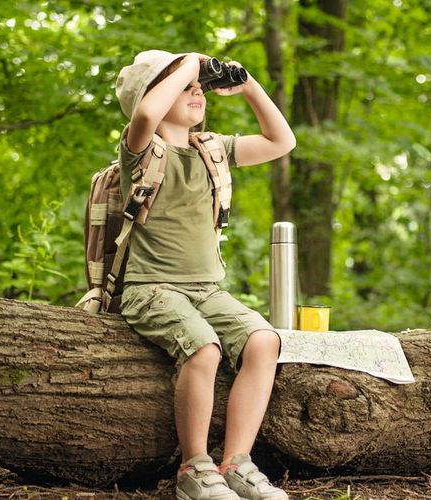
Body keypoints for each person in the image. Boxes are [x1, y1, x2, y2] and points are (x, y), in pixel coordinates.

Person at [114, 50, 296, 500]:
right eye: (185, 86)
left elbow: (281, 141)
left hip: (206, 290)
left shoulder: (211, 149)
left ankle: (236, 462)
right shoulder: (140, 151)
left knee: (263, 340)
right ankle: (194, 467)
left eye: (200, 87)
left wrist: (248, 84)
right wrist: (189, 66)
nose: (197, 90)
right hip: (150, 289)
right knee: (203, 347)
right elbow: (147, 113)